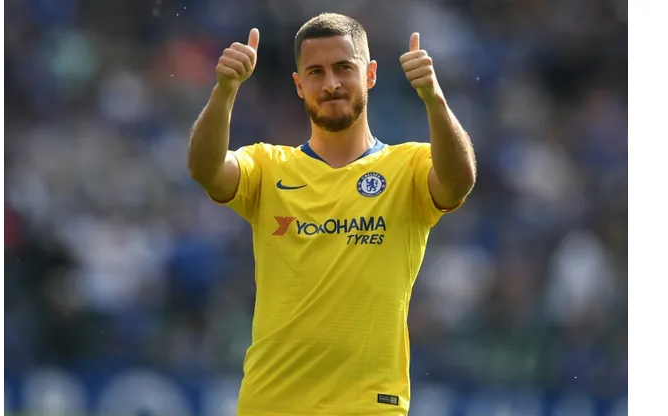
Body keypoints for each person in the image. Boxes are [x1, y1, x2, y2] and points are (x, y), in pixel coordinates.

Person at [188, 12, 477, 416]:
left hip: (369, 405)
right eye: (316, 72)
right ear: (299, 85)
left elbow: (459, 181)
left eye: (343, 68)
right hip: (271, 403)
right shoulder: (268, 167)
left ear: (370, 74)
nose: (331, 84)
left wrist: (434, 98)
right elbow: (206, 169)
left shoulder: (408, 166)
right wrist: (225, 91)